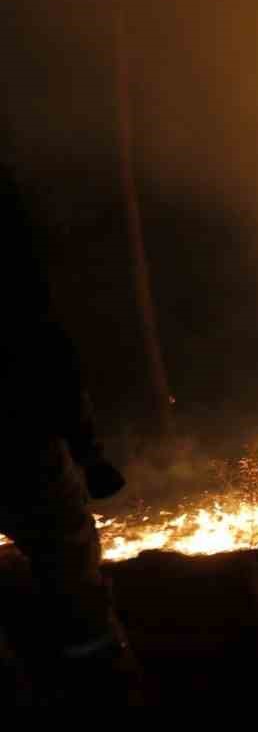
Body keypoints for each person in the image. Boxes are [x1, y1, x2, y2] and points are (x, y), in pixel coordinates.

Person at [0, 156, 142, 705]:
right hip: (19, 443)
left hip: (20, 434)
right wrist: (90, 454)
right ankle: (104, 686)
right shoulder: (15, 282)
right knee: (70, 566)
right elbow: (47, 357)